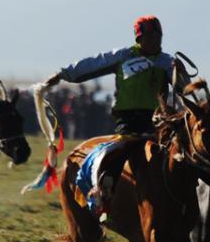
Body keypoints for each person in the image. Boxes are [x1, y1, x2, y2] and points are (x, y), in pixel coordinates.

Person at [43, 15, 186, 214]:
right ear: (139, 38)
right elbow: (93, 63)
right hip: (128, 122)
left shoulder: (167, 63)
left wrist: (182, 75)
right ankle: (103, 196)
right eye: (151, 36)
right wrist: (62, 74)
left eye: (158, 36)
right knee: (114, 158)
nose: (155, 40)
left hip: (157, 122)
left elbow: (186, 90)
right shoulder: (123, 56)